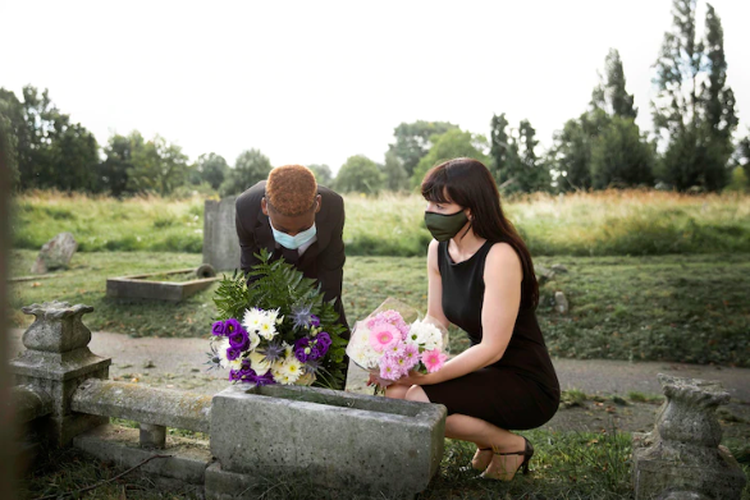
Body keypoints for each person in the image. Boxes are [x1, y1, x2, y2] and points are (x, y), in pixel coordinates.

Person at [385, 158, 559, 481]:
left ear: (472, 209)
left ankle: (510, 445)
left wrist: (427, 379)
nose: (431, 213)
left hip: (525, 382)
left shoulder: (500, 255)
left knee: (418, 400)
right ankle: (489, 443)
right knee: (396, 391)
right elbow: (435, 320)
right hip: (484, 371)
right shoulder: (438, 249)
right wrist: (401, 361)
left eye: (441, 204)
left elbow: (493, 348)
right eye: (429, 203)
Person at [235, 164, 349, 335]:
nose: (293, 235)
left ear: (317, 204)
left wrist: (322, 321)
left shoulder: (333, 206)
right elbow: (253, 269)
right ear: (265, 207)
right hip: (270, 269)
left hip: (316, 267)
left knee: (335, 340)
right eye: (282, 229)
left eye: (303, 229)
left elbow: (332, 267)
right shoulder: (246, 209)